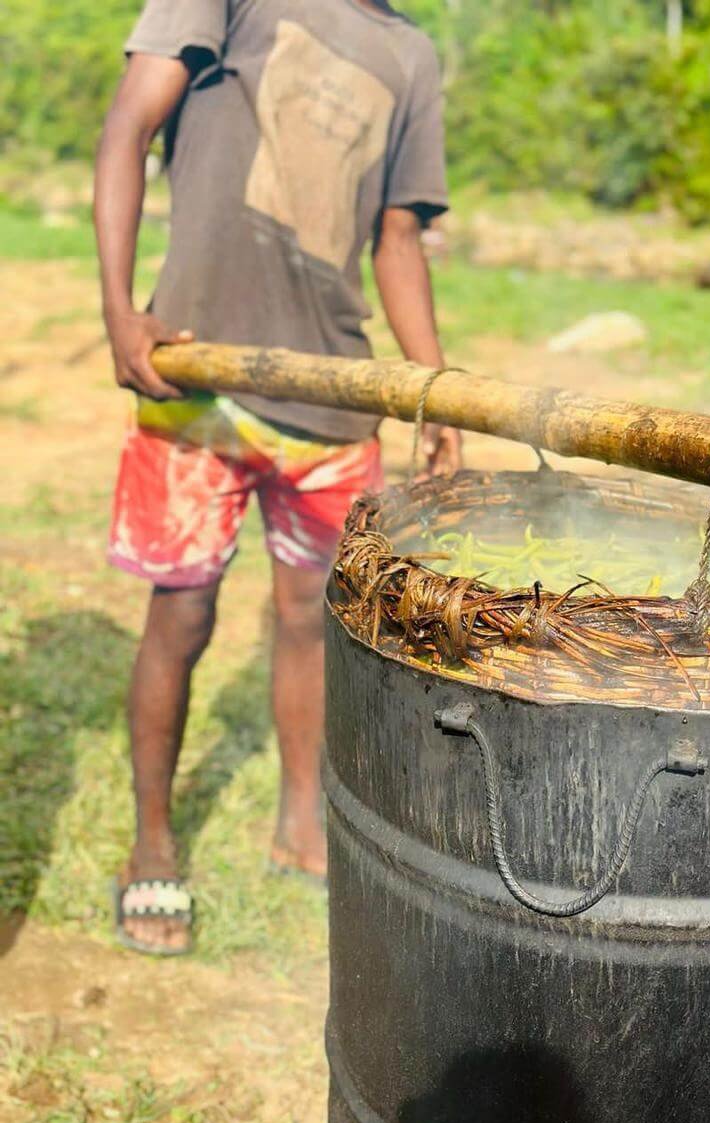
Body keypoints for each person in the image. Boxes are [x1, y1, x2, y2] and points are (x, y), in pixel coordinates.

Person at [94, 0, 460, 956]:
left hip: (333, 398)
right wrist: (120, 311)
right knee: (181, 613)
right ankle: (154, 845)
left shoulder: (410, 54)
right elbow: (128, 128)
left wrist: (434, 391)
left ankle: (302, 821)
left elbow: (397, 241)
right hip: (198, 375)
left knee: (311, 614)